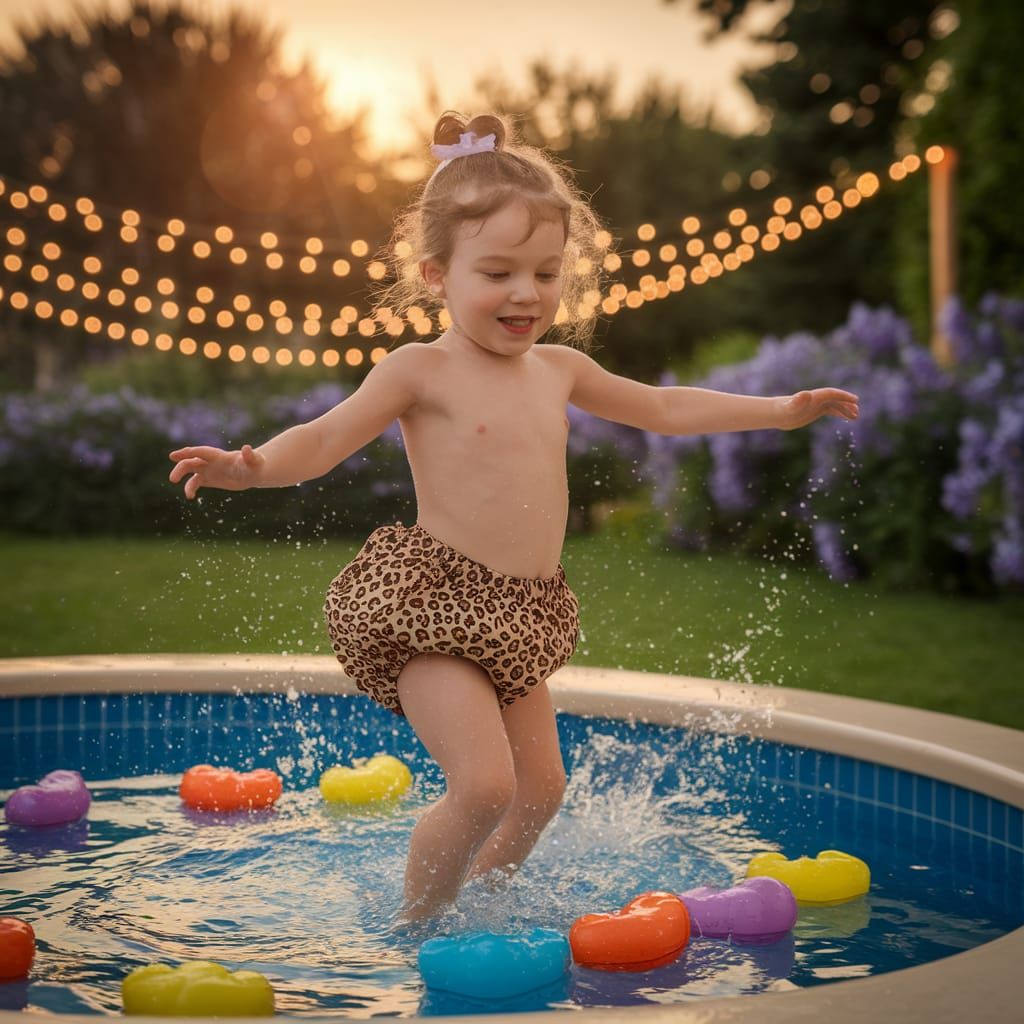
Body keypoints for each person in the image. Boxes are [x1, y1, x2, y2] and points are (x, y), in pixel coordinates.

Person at [168, 111, 859, 923]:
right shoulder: (418, 370)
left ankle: (481, 909)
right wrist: (252, 469)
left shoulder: (560, 370)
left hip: (521, 615)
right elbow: (323, 439)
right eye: (497, 273)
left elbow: (666, 407)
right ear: (435, 275)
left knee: (540, 793)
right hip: (429, 606)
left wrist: (779, 410)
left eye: (545, 272)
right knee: (486, 784)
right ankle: (415, 928)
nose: (526, 294)